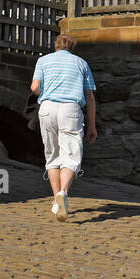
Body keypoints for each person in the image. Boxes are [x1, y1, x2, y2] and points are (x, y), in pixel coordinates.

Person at [30, 32, 98, 222]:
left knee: (52, 155)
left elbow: (34, 88)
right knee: (71, 155)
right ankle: (63, 193)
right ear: (73, 47)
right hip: (70, 109)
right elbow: (90, 97)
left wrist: (45, 90)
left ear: (55, 45)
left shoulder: (43, 61)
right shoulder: (81, 64)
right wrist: (92, 126)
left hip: (47, 108)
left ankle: (55, 200)